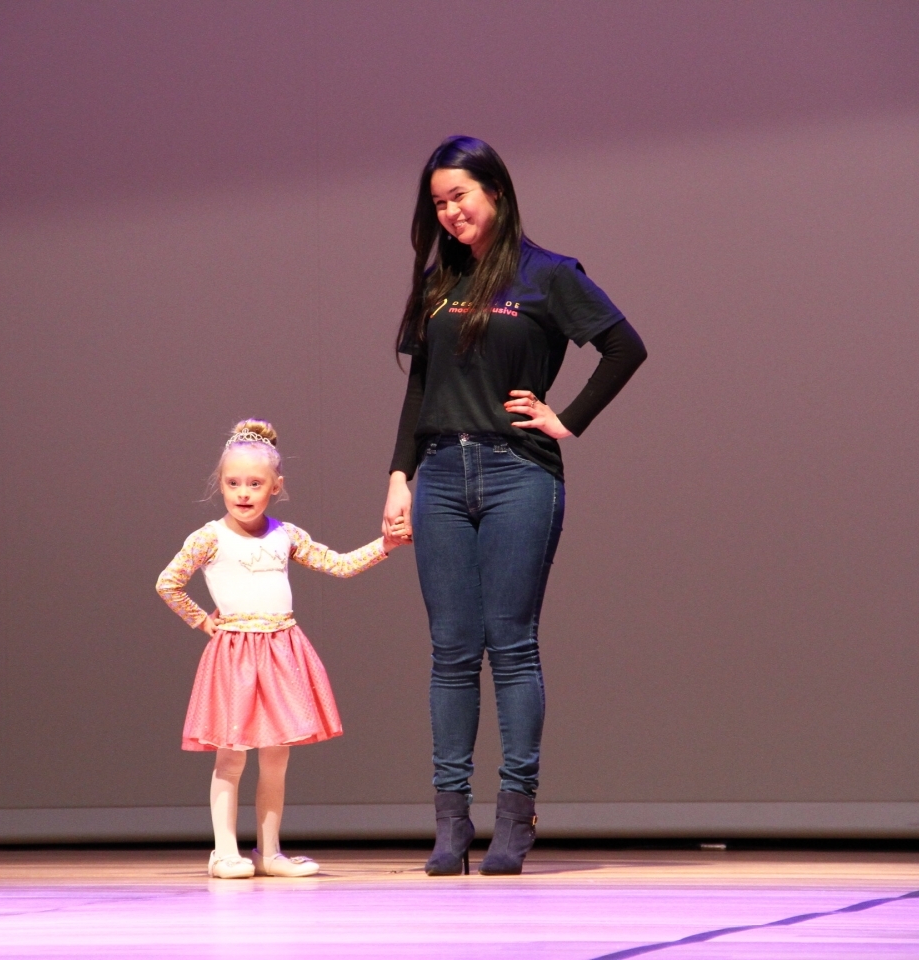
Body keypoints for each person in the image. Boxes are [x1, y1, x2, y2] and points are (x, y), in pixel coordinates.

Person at [383, 136, 647, 876]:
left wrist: (569, 416)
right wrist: (399, 475)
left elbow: (625, 347)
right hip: (438, 471)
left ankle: (515, 815)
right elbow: (419, 387)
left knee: (512, 644)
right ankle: (448, 823)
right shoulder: (439, 280)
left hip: (516, 472)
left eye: (459, 196)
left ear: (495, 191)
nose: (449, 212)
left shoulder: (548, 275)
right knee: (451, 651)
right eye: (438, 203)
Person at [158, 419, 409, 879]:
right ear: (221, 485)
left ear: (277, 486)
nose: (243, 492)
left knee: (276, 757)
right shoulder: (209, 537)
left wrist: (386, 545)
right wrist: (203, 620)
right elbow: (168, 582)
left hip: (280, 651)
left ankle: (268, 852)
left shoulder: (286, 535)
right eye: (233, 483)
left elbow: (339, 565)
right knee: (231, 754)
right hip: (235, 655)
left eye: (255, 483)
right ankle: (224, 851)